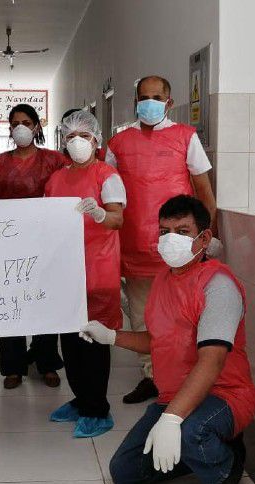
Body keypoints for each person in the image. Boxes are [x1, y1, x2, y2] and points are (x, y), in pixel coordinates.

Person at [85, 195, 255, 484]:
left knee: (192, 431)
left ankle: (226, 465)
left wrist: (172, 419)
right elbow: (157, 340)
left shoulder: (218, 285)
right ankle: (194, 448)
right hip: (173, 394)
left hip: (224, 394)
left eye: (182, 231)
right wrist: (110, 336)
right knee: (125, 471)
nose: (170, 239)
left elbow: (212, 361)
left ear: (203, 238)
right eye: (164, 232)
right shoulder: (164, 279)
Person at [105, 75, 220, 405]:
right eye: (144, 97)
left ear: (169, 102)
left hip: (180, 244)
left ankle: (187, 378)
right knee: (143, 315)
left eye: (157, 97)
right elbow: (107, 191)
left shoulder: (185, 137)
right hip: (135, 245)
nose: (150, 103)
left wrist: (208, 235)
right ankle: (152, 377)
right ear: (135, 102)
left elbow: (204, 190)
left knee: (183, 314)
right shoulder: (118, 143)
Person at [44, 110, 126, 438]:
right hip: (65, 268)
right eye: (71, 136)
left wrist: (100, 213)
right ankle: (80, 400)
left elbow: (118, 219)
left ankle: (97, 409)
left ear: (96, 140)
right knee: (70, 339)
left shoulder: (107, 175)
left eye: (85, 136)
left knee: (93, 340)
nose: (77, 142)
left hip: (97, 267)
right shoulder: (56, 179)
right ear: (63, 142)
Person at [0, 103, 68, 389]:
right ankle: (13, 367)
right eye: (15, 123)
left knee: (44, 300)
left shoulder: (55, 161)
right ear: (9, 128)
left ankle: (47, 362)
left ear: (36, 126)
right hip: (9, 243)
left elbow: (64, 195)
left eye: (26, 122)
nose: (20, 127)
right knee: (11, 303)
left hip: (45, 242)